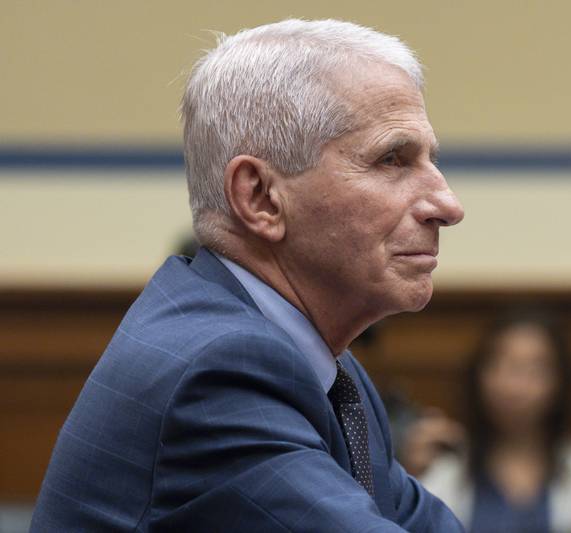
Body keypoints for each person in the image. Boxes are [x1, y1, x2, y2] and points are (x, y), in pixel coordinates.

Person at [31, 19, 465, 532]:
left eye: (430, 160)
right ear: (259, 197)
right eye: (392, 159)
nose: (447, 205)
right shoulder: (218, 374)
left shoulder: (328, 368)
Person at [417, 314, 571, 533]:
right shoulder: (443, 469)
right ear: (478, 373)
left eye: (534, 369)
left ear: (560, 380)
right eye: (501, 364)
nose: (515, 385)